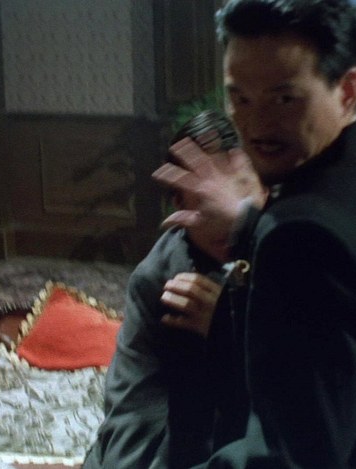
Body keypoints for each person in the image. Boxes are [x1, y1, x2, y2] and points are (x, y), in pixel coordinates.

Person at [152, 1, 356, 467]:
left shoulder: (301, 236)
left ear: (347, 90)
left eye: (284, 99)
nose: (256, 125)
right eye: (240, 98)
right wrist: (247, 226)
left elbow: (289, 457)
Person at [83, 110, 262, 469]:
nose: (221, 216)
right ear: (178, 203)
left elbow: (298, 406)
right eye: (204, 197)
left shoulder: (289, 255)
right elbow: (134, 415)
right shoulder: (159, 279)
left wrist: (229, 323)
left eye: (237, 192)